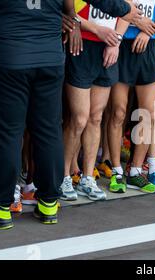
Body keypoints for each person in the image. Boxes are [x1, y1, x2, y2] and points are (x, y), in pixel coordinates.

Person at [0, 0, 143, 230]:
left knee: (8, 134)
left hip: (9, 57)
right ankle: (48, 204)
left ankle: (0, 209)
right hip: (48, 58)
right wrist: (124, 9)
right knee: (48, 131)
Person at [60, 0, 127, 202]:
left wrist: (117, 41)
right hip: (82, 45)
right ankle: (63, 177)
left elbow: (127, 10)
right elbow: (67, 10)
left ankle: (87, 178)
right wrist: (97, 30)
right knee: (79, 118)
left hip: (107, 47)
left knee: (95, 117)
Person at [108, 0, 155, 194]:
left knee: (148, 114)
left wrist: (148, 31)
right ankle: (116, 170)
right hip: (122, 45)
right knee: (118, 112)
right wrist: (138, 24)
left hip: (148, 46)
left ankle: (135, 170)